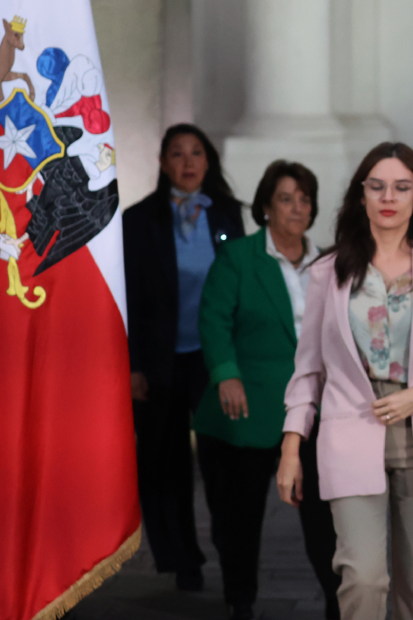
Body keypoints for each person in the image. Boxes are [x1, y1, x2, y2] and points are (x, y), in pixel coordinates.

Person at [275, 143, 413, 620]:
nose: (389, 197)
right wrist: (291, 446)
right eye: (377, 186)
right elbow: (308, 368)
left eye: (402, 187)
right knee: (363, 577)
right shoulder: (327, 272)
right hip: (350, 429)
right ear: (360, 195)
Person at [194, 161, 340, 620]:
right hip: (248, 404)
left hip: (314, 409)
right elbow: (214, 319)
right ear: (265, 207)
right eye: (285, 198)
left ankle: (340, 602)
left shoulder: (329, 263)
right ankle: (240, 600)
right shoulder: (239, 257)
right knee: (239, 518)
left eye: (304, 199)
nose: (297, 208)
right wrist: (225, 373)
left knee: (323, 517)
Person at [123, 123, 245, 591]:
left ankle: (232, 555)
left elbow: (239, 290)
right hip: (158, 361)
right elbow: (129, 298)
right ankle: (180, 557)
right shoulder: (139, 220)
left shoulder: (227, 216)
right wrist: (133, 365)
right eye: (177, 153)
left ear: (208, 162)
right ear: (162, 163)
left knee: (221, 461)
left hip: (213, 359)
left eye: (196, 153)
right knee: (163, 463)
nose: (188, 162)